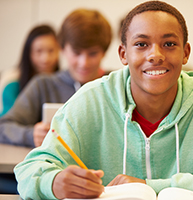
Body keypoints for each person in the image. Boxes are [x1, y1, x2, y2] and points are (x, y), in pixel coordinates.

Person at [14, 1, 193, 199]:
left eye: (169, 44)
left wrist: (150, 188)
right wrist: (53, 182)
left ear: (186, 53)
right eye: (141, 44)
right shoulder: (90, 100)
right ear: (123, 53)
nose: (155, 55)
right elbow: (29, 170)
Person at [0, 8, 112, 148]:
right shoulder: (43, 84)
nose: (84, 63)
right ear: (62, 48)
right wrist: (31, 134)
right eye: (76, 53)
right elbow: (3, 126)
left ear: (104, 51)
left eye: (93, 53)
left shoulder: (116, 84)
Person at [0, 25, 60, 117]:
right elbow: (6, 124)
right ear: (29, 53)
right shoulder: (12, 85)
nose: (45, 59)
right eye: (39, 51)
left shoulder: (66, 83)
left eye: (51, 51)